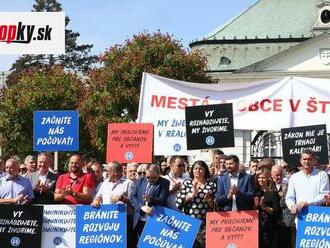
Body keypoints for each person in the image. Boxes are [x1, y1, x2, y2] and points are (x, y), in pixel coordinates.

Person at [91, 161, 134, 247]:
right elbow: (98, 196)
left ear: (115, 172)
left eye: (108, 170)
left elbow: (133, 202)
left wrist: (122, 198)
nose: (106, 173)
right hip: (107, 222)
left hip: (123, 221)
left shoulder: (128, 183)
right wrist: (96, 200)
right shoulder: (104, 183)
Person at [176, 160, 216, 247]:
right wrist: (191, 195)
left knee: (204, 245)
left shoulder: (211, 184)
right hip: (189, 220)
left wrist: (209, 200)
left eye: (201, 169)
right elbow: (178, 202)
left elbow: (215, 206)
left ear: (205, 171)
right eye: (196, 168)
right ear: (192, 170)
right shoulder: (187, 183)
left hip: (205, 221)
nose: (198, 170)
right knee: (190, 244)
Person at [130, 164, 169, 246]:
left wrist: (151, 200)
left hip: (155, 219)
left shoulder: (164, 183)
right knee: (139, 244)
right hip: (140, 219)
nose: (151, 180)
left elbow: (163, 200)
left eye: (154, 178)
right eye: (148, 177)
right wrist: (141, 206)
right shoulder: (140, 180)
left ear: (159, 174)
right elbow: (132, 197)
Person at [285, 150, 330, 220]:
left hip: (318, 215)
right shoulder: (294, 177)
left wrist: (308, 203)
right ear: (300, 160)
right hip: (301, 216)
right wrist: (292, 206)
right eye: (304, 159)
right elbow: (289, 197)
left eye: (309, 159)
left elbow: (324, 195)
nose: (307, 161)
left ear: (314, 161)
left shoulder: (322, 174)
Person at [272, 165, 297, 248]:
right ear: (271, 175)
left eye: (280, 175)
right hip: (273, 222)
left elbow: (291, 202)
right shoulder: (269, 186)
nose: (278, 177)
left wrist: (283, 196)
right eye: (276, 175)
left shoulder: (288, 186)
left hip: (286, 222)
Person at [254, 168, 280, 248]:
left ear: (268, 179)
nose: (260, 180)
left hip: (268, 225)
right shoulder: (255, 192)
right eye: (259, 177)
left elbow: (276, 210)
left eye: (263, 177)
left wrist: (264, 207)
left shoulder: (272, 193)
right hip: (256, 225)